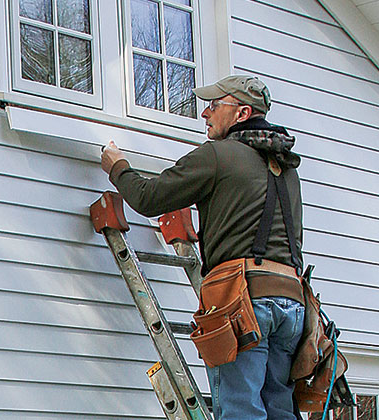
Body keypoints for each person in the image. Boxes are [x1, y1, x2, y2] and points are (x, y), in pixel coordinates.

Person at [100, 75, 305, 420]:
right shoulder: (287, 169)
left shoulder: (219, 155)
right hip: (291, 304)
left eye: (213, 105)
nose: (205, 114)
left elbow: (149, 199)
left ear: (241, 113)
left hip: (243, 300)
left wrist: (117, 167)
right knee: (279, 412)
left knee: (241, 411)